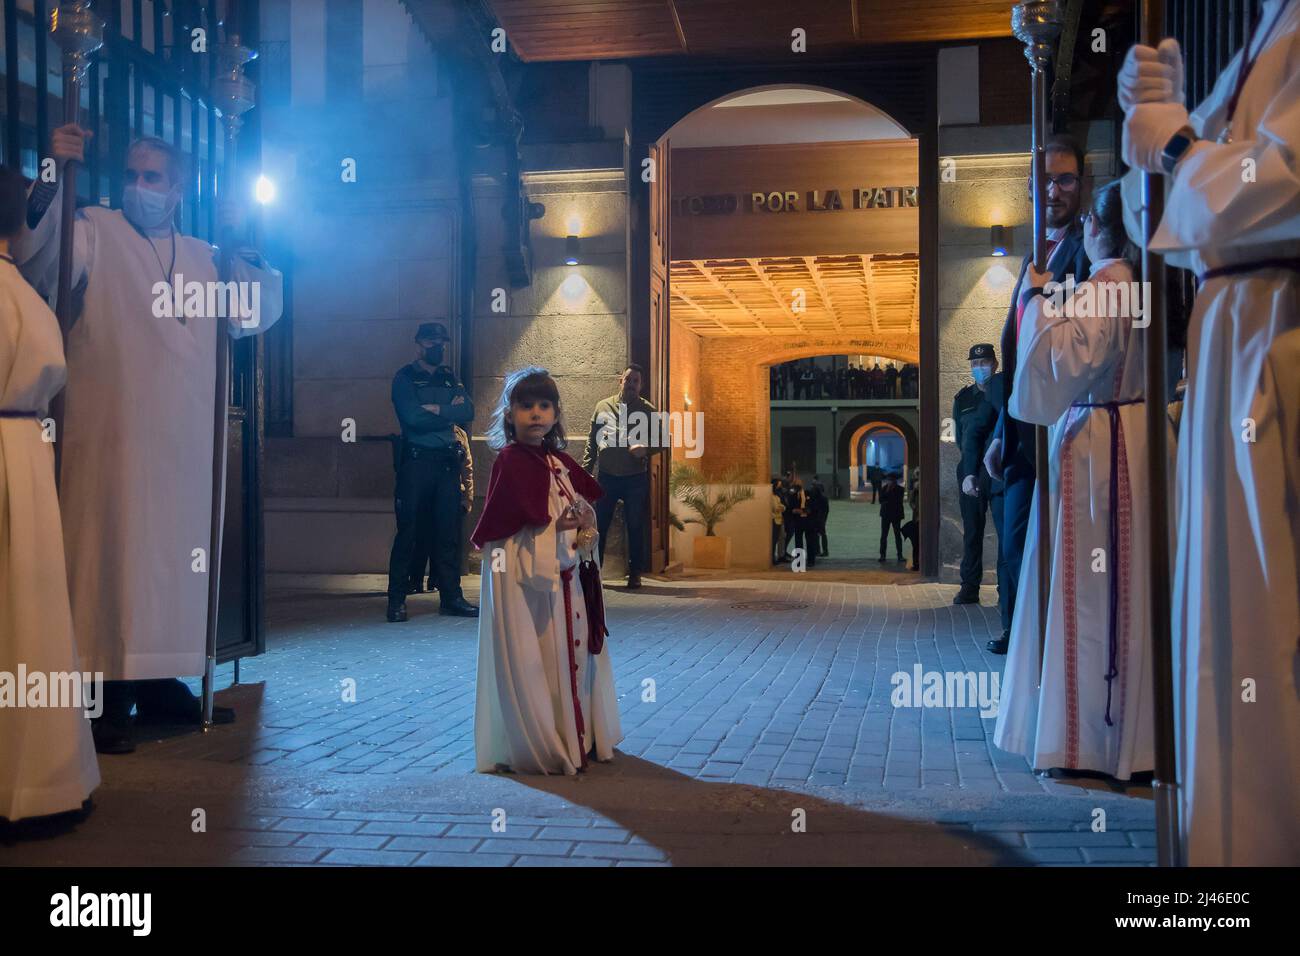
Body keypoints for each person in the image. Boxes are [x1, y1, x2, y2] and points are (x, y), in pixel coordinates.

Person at [14, 127, 283, 754]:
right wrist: (55, 172)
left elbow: (255, 313)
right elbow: (39, 258)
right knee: (112, 554)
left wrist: (244, 240)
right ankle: (104, 693)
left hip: (185, 444)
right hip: (112, 436)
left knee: (172, 561)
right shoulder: (94, 229)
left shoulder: (206, 254)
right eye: (132, 175)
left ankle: (162, 677)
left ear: (179, 187)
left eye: (152, 177)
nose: (139, 188)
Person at [1119, 6, 1300, 862]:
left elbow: (1280, 183)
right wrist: (1150, 131)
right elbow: (1167, 222)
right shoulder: (1260, 35)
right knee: (1227, 639)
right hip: (1236, 333)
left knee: (1272, 621)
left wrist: (1181, 149)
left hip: (1280, 332)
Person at [993, 181, 1169, 781]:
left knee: (1096, 594)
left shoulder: (1110, 284)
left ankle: (1091, 742)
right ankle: (1130, 741)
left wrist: (1038, 300)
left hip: (1104, 448)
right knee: (1127, 589)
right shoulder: (1141, 283)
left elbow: (1058, 365)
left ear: (1098, 224)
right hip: (1130, 440)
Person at [0, 165, 99, 821]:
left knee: (25, 617)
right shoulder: (14, 289)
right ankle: (31, 779)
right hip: (16, 456)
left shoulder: (15, 284)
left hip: (22, 456)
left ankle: (36, 777)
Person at [471, 366, 622, 775]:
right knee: (540, 657)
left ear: (556, 414)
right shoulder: (509, 462)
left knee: (571, 657)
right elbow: (508, 539)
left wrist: (581, 525)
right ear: (510, 414)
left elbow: (583, 521)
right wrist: (558, 531)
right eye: (526, 406)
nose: (536, 413)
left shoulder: (559, 462)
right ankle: (547, 738)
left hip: (565, 581)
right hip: (530, 591)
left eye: (544, 405)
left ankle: (578, 735)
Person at [984, 133, 1092, 656]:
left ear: (1082, 184)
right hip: (1023, 430)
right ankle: (1020, 635)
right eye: (1045, 179)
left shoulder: (1087, 249)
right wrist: (1002, 433)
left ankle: (1049, 647)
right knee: (1013, 543)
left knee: (1051, 545)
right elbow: (1016, 355)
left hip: (1064, 426)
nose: (1054, 188)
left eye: (1065, 178)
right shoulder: (1034, 254)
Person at [385, 322, 478, 623]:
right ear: (420, 344)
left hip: (445, 465)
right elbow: (411, 418)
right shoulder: (405, 378)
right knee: (409, 533)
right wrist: (446, 410)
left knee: (447, 534)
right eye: (433, 342)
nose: (438, 347)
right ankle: (396, 601)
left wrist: (436, 410)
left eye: (442, 342)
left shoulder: (449, 377)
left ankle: (451, 597)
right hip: (416, 464)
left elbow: (468, 412)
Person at [582, 364, 663, 588]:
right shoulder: (603, 407)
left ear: (641, 385)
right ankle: (594, 571)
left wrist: (645, 449)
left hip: (635, 478)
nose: (631, 385)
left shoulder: (648, 410)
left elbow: (663, 440)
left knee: (635, 525)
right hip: (607, 477)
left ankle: (635, 573)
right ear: (621, 381)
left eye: (636, 381)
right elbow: (591, 442)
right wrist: (585, 474)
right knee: (600, 525)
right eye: (628, 380)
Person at [952, 343, 1004, 608]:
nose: (979, 368)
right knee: (972, 531)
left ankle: (1005, 589)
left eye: (983, 363)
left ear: (995, 364)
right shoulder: (963, 399)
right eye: (974, 364)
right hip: (971, 469)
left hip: (999, 469)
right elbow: (962, 438)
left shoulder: (1004, 392)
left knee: (1004, 531)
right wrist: (969, 471)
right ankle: (969, 587)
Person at [407, 423, 474, 595]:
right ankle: (416, 579)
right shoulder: (427, 428)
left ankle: (437, 580)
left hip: (453, 491)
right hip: (428, 491)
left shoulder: (459, 433)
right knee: (422, 538)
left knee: (446, 539)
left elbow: (467, 467)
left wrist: (468, 497)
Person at [878, 471, 905, 562]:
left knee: (897, 535)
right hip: (885, 515)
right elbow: (881, 500)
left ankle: (900, 555)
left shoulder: (900, 489)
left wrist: (888, 496)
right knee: (884, 536)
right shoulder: (884, 489)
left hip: (896, 515)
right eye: (889, 480)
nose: (890, 482)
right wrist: (888, 491)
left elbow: (897, 501)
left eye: (892, 480)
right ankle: (882, 555)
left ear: (895, 481)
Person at [807, 482, 830, 557]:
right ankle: (824, 551)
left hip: (816, 519)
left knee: (816, 536)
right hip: (821, 519)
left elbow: (811, 509)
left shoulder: (813, 498)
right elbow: (826, 510)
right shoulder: (824, 499)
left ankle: (818, 550)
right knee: (822, 535)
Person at [770, 478, 788, 565]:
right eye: (778, 485)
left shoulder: (777, 496)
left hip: (780, 519)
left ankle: (781, 555)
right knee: (774, 540)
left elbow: (782, 506)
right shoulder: (771, 496)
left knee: (781, 538)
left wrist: (781, 508)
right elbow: (776, 508)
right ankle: (772, 557)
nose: (780, 487)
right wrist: (781, 508)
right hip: (774, 520)